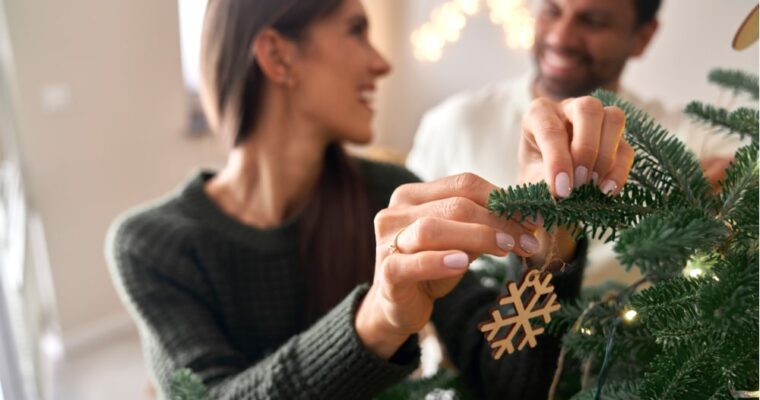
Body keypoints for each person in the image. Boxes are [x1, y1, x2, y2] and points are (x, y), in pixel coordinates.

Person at [106, 0, 633, 398]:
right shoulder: (153, 245)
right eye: (357, 30)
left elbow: (508, 380)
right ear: (276, 54)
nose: (382, 64)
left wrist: (549, 251)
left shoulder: (386, 195)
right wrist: (377, 321)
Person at [406, 0, 739, 285]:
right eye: (552, 10)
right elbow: (405, 256)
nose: (560, 37)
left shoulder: (688, 141)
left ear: (642, 36)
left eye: (593, 21)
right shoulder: (452, 125)